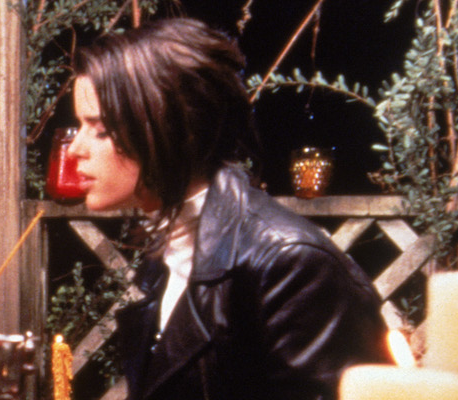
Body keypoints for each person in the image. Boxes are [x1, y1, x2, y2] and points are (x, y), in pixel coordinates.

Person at [68, 18, 390, 399]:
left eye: (100, 128)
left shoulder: (290, 262)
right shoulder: (174, 247)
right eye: (80, 126)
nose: (75, 150)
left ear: (168, 128)